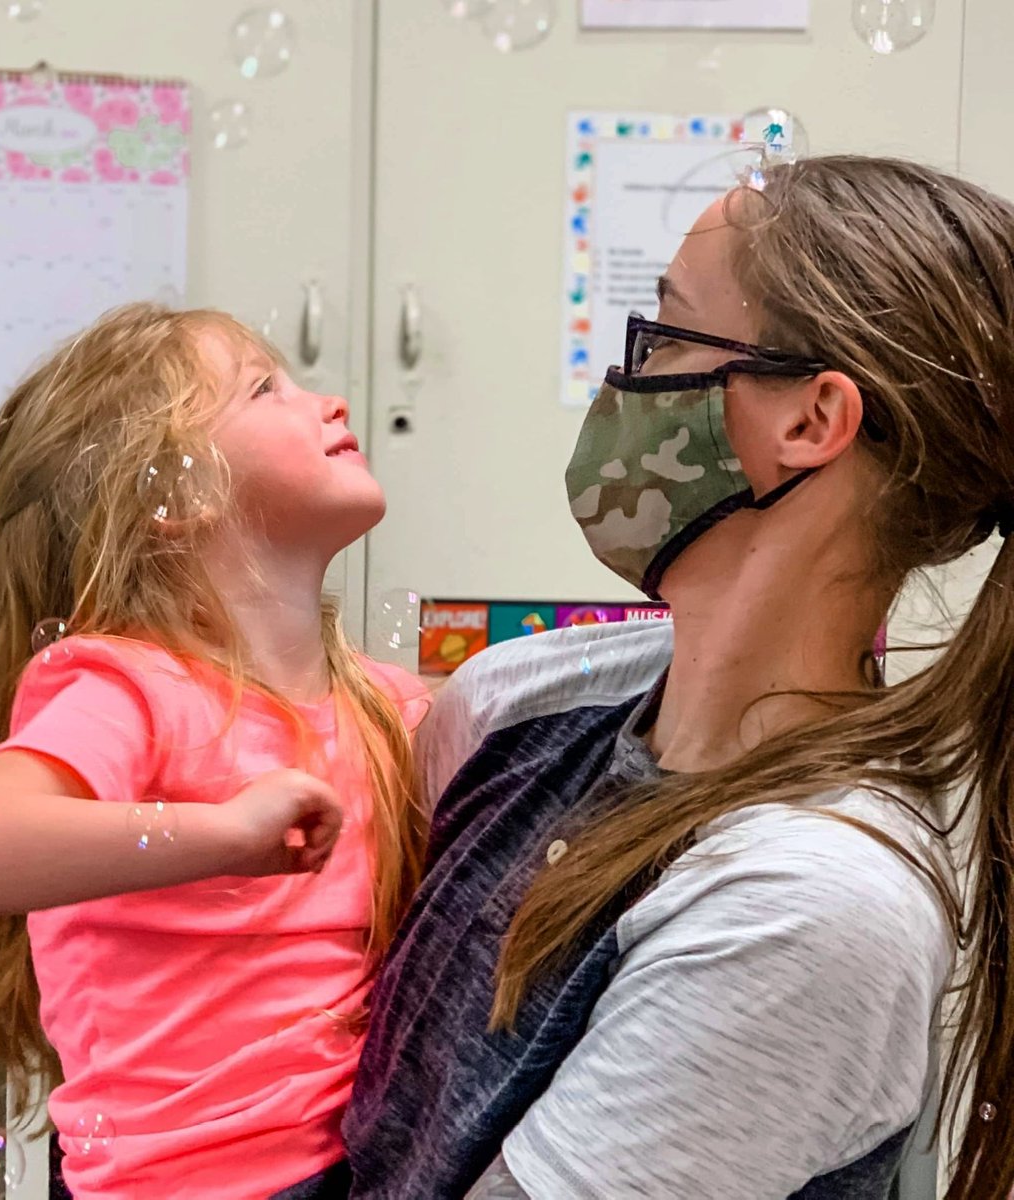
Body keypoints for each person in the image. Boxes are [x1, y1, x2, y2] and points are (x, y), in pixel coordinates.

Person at [331, 156, 1014, 1200]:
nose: (627, 384)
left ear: (809, 423)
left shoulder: (814, 905)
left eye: (667, 339)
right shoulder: (522, 702)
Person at [0, 303, 428, 1200]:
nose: (330, 403)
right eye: (267, 389)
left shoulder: (384, 705)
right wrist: (221, 835)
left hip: (357, 1168)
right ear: (174, 499)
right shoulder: (129, 688)